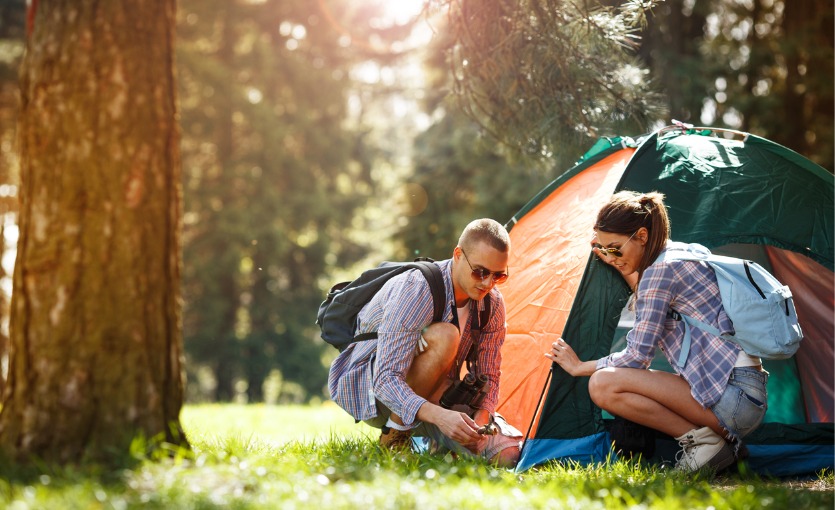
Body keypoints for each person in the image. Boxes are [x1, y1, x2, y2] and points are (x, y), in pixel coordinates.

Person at [545, 191, 768, 473]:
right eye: (605, 250)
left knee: (602, 384)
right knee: (609, 381)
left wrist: (580, 367)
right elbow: (650, 291)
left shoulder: (659, 273)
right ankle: (720, 443)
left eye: (615, 248)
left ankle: (704, 444)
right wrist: (618, 259)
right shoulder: (678, 255)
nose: (611, 257)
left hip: (732, 397)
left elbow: (638, 357)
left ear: (641, 236)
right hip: (743, 394)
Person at [328, 218, 522, 467]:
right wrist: (442, 417)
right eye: (480, 272)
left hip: (438, 394)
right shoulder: (417, 288)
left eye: (499, 276)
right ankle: (396, 435)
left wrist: (482, 418)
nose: (487, 283)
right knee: (446, 336)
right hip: (374, 393)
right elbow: (385, 380)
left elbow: (490, 375)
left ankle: (441, 444)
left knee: (507, 456)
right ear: (458, 255)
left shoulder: (492, 303)